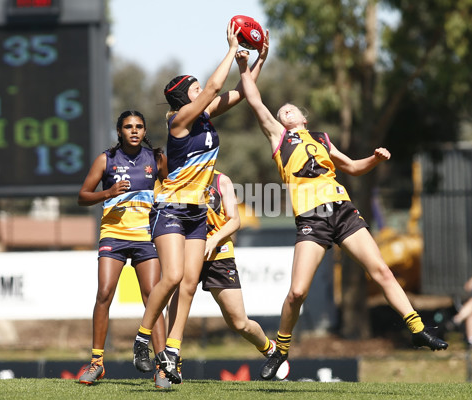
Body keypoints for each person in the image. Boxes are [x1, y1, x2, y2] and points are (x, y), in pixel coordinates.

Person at [236, 52, 448, 380]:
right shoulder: (279, 137)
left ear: (303, 117)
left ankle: (418, 329)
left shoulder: (322, 139)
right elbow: (253, 97)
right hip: (312, 217)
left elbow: (351, 168)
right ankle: (280, 350)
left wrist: (375, 159)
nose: (283, 111)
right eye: (280, 112)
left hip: (342, 210)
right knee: (297, 292)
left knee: (381, 270)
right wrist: (246, 63)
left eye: (288, 109)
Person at [130, 22, 269, 385]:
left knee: (189, 284)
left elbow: (240, 92)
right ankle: (143, 339)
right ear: (185, 98)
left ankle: (172, 352)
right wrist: (231, 47)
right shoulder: (179, 121)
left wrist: (258, 59)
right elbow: (213, 87)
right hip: (170, 209)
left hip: (195, 215)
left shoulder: (203, 117)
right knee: (173, 277)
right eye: (194, 89)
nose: (201, 91)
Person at [76, 110, 171, 389]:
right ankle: (96, 362)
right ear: (119, 131)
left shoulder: (156, 158)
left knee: (153, 297)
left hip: (145, 237)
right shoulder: (106, 159)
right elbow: (83, 196)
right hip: (113, 235)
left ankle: (163, 367)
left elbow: (171, 188)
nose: (134, 131)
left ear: (144, 131)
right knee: (104, 293)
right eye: (128, 127)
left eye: (139, 127)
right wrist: (108, 192)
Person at [171, 170, 289, 380]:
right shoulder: (179, 178)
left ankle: (270, 350)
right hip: (187, 255)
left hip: (218, 255)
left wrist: (213, 240)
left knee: (239, 323)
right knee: (175, 312)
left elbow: (235, 220)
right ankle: (172, 362)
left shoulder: (221, 180)